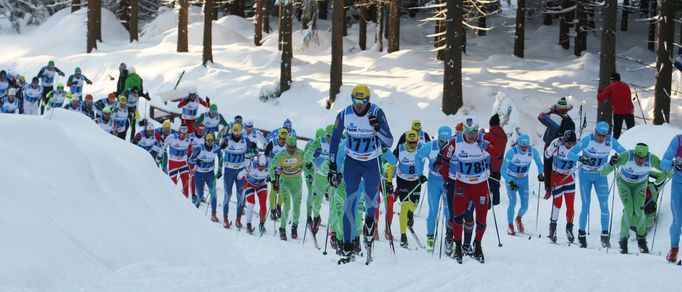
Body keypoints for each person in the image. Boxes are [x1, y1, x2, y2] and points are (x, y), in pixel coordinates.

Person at [328, 84, 393, 263]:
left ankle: (370, 222)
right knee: (350, 202)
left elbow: (390, 140)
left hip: (372, 162)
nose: (359, 104)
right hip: (352, 162)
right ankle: (347, 246)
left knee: (372, 200)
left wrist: (378, 128)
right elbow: (334, 141)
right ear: (352, 99)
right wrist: (333, 165)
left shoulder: (377, 112)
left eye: (363, 100)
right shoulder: (344, 115)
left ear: (368, 100)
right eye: (356, 100)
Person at [438, 116, 492, 263]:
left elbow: (498, 152)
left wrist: (487, 144)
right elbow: (443, 160)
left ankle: (476, 245)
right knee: (456, 216)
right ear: (463, 131)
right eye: (468, 133)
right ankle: (456, 244)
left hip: (479, 185)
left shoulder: (483, 141)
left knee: (478, 218)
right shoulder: (455, 142)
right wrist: (446, 178)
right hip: (459, 184)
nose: (471, 136)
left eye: (474, 132)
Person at [567, 121, 627, 248]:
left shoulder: (611, 141)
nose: (601, 138)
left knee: (604, 205)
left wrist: (616, 160)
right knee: (585, 205)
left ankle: (605, 236)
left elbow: (625, 154)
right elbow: (570, 154)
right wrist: (579, 158)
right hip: (585, 175)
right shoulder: (587, 140)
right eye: (599, 135)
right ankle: (581, 235)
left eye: (604, 136)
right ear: (595, 132)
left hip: (601, 175)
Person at [601, 143, 665, 254]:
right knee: (629, 209)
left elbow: (665, 169)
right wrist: (612, 162)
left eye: (643, 158)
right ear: (634, 154)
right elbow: (603, 172)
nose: (641, 161)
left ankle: (641, 240)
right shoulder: (627, 156)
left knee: (639, 210)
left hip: (640, 184)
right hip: (624, 183)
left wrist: (674, 166)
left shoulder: (651, 158)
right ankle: (623, 240)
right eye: (638, 158)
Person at [389, 129, 428, 249]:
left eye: (414, 142)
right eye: (410, 142)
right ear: (406, 140)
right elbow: (391, 164)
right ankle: (403, 236)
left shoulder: (422, 148)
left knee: (413, 206)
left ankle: (411, 214)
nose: (412, 145)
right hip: (403, 180)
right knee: (404, 206)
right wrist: (389, 181)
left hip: (416, 181)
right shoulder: (400, 149)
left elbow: (434, 157)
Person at [501, 134, 543, 235]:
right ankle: (510, 226)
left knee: (525, 205)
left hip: (524, 180)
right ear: (518, 145)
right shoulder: (512, 152)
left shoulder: (532, 150)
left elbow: (540, 164)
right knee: (513, 202)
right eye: (522, 146)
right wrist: (509, 181)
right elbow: (502, 170)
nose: (524, 149)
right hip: (512, 179)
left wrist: (540, 173)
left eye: (526, 146)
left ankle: (518, 219)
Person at [418, 125, 452, 251]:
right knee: (433, 211)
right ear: (438, 137)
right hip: (433, 181)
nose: (444, 143)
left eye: (446, 140)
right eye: (442, 140)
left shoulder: (452, 147)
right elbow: (418, 156)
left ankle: (449, 238)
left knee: (449, 213)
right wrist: (419, 173)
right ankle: (430, 238)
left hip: (447, 182)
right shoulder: (430, 146)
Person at [544, 130, 578, 244]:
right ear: (564, 140)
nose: (569, 146)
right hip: (556, 176)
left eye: (572, 144)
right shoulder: (557, 143)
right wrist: (553, 146)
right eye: (568, 143)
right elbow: (547, 155)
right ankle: (552, 228)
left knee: (570, 205)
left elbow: (580, 158)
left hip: (569, 178)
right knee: (557, 203)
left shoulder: (576, 146)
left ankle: (569, 228)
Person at [538, 97, 575, 196]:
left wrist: (551, 108)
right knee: (557, 166)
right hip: (564, 146)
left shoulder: (556, 117)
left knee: (548, 166)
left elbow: (541, 116)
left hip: (551, 144)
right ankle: (558, 184)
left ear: (557, 108)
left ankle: (548, 188)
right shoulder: (568, 118)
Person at [269, 136, 304, 240]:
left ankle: (294, 227)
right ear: (286, 146)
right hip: (285, 182)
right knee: (287, 205)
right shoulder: (281, 155)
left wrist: (310, 167)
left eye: (294, 147)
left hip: (297, 182)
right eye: (290, 147)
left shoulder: (300, 153)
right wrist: (274, 180)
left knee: (297, 207)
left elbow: (308, 161)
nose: (292, 149)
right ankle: (282, 228)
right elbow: (271, 167)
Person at [219, 123, 248, 229]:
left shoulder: (245, 140)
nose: (237, 135)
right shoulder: (227, 139)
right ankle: (225, 219)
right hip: (229, 170)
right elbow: (219, 147)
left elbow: (250, 155)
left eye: (239, 133)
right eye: (235, 133)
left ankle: (238, 219)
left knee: (240, 196)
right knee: (228, 195)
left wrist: (245, 170)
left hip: (240, 171)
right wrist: (221, 142)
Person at [659, 135, 682, 262]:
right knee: (678, 221)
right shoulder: (678, 140)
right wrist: (673, 163)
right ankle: (674, 250)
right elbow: (664, 163)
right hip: (678, 187)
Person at [303, 128, 329, 236]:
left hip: (325, 174)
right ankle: (310, 216)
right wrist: (308, 172)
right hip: (311, 173)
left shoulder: (329, 143)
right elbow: (305, 160)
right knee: (311, 194)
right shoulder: (311, 144)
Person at [238, 154, 271, 235]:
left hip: (262, 185)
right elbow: (239, 175)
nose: (261, 168)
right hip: (250, 185)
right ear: (257, 163)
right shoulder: (252, 165)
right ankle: (248, 224)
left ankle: (262, 224)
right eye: (259, 166)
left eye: (263, 167)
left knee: (263, 204)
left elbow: (275, 172)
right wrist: (243, 174)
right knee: (251, 203)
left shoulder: (269, 165)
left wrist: (273, 178)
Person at [189, 133, 222, 211]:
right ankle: (195, 211)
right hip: (199, 173)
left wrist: (220, 170)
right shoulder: (199, 148)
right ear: (205, 141)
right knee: (200, 195)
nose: (210, 143)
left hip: (210, 174)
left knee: (213, 193)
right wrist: (197, 161)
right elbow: (190, 159)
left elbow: (221, 158)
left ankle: (214, 213)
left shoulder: (216, 148)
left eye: (211, 141)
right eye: (208, 142)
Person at [597, 72, 634, 139]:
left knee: (617, 132)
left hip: (618, 111)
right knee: (632, 130)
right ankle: (632, 142)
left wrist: (600, 92)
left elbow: (601, 98)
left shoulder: (611, 87)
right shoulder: (626, 86)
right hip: (629, 110)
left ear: (612, 80)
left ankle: (615, 146)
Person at [264, 128, 289, 220]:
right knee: (274, 189)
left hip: (283, 170)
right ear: (278, 137)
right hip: (273, 170)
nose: (283, 141)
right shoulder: (272, 143)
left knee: (282, 190)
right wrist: (275, 157)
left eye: (285, 139)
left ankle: (278, 207)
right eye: (282, 138)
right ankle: (272, 210)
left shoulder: (288, 145)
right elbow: (266, 154)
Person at [484, 114, 508, 208]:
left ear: (491, 125)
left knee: (488, 186)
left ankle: (488, 205)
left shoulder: (488, 136)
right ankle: (496, 204)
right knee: (496, 185)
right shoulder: (504, 136)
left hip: (489, 165)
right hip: (499, 164)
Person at [163, 126, 192, 198]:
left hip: (183, 163)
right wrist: (160, 157)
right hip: (173, 163)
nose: (183, 135)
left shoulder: (189, 138)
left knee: (186, 182)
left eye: (185, 134)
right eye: (182, 133)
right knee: (173, 183)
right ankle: (173, 199)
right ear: (179, 132)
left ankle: (186, 200)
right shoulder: (171, 137)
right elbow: (163, 147)